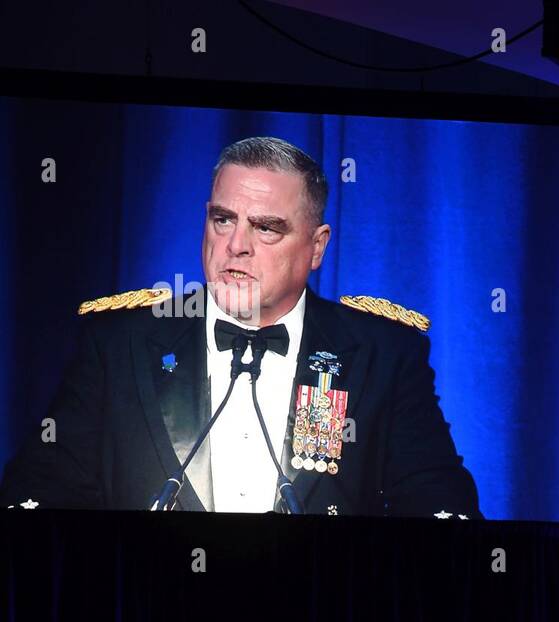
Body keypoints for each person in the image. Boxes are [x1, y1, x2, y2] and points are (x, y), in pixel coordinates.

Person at [0, 136, 481, 518]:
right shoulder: (118, 343)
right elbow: (39, 492)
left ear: (317, 247)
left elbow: (438, 506)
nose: (237, 245)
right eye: (223, 219)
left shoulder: (383, 353)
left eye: (266, 227)